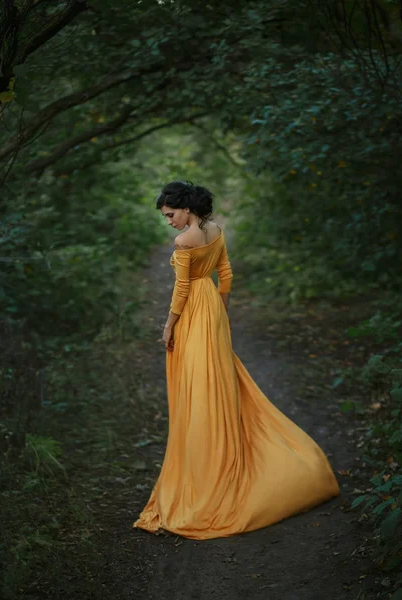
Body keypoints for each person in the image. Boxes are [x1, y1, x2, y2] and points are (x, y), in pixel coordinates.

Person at [133, 180, 340, 540]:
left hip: (195, 314)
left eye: (170, 214)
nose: (168, 222)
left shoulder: (185, 240)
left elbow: (182, 288)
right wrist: (222, 317)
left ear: (185, 208)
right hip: (211, 310)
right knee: (218, 382)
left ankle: (208, 470)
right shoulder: (215, 230)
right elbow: (225, 275)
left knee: (198, 388)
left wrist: (169, 326)